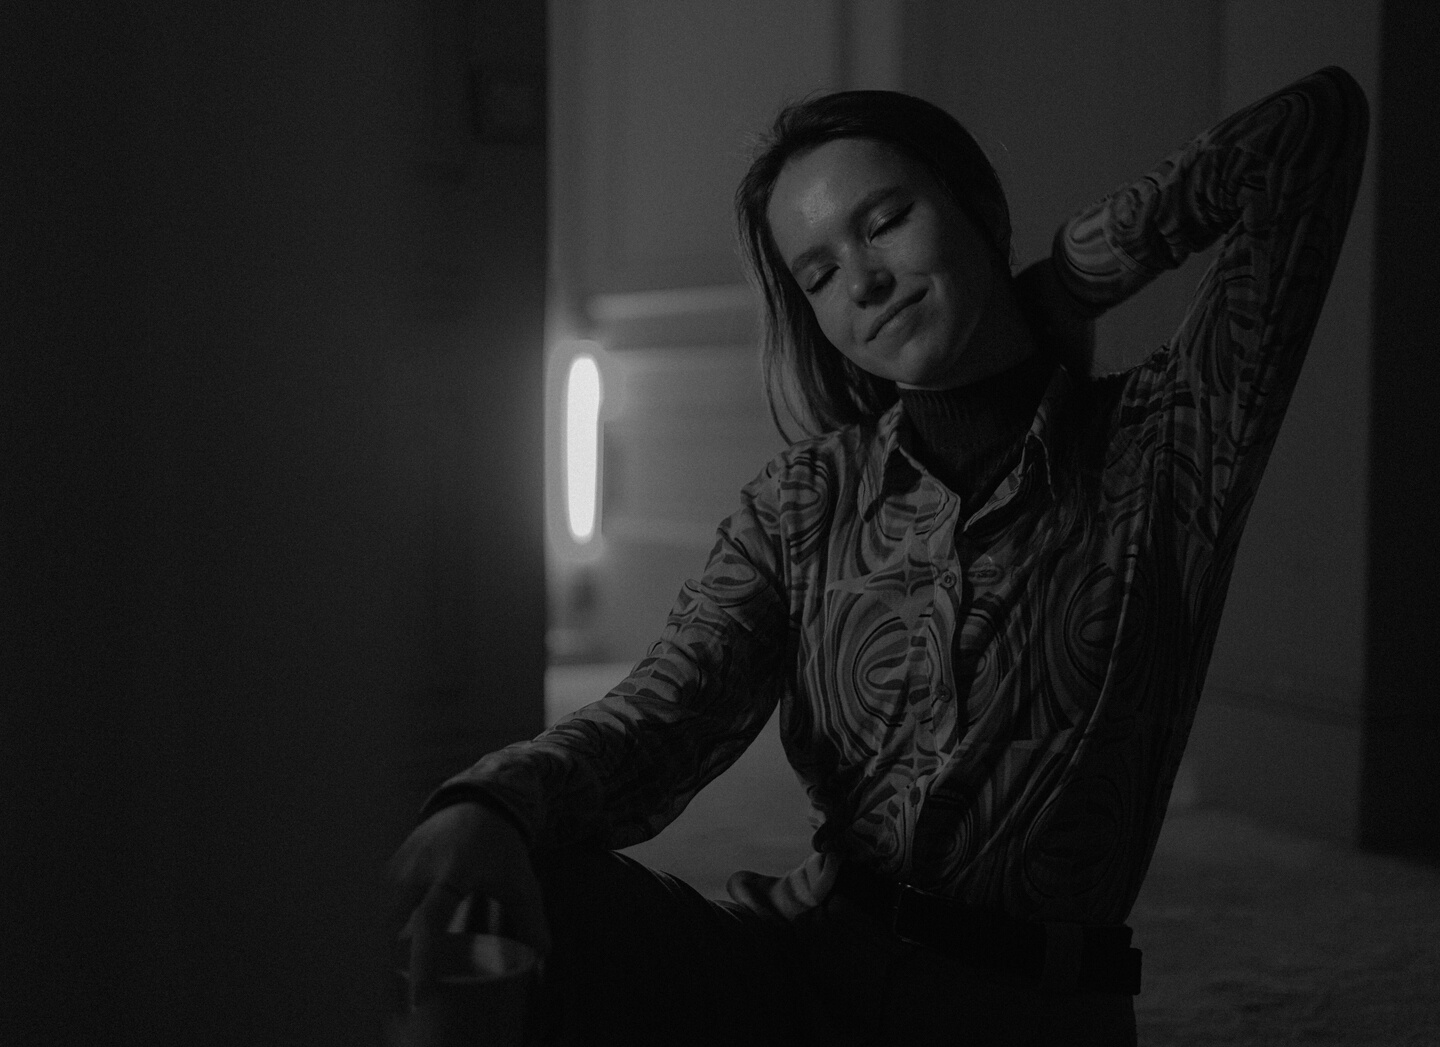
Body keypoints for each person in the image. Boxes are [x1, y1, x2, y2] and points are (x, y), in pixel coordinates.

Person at [388, 66, 1369, 1045]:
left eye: (886, 220)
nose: (861, 279)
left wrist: (1065, 279)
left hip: (1025, 1013)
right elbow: (669, 714)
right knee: (513, 892)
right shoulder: (804, 500)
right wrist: (497, 801)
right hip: (799, 975)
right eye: (816, 273)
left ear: (973, 203)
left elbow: (1308, 134)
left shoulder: (1168, 446)